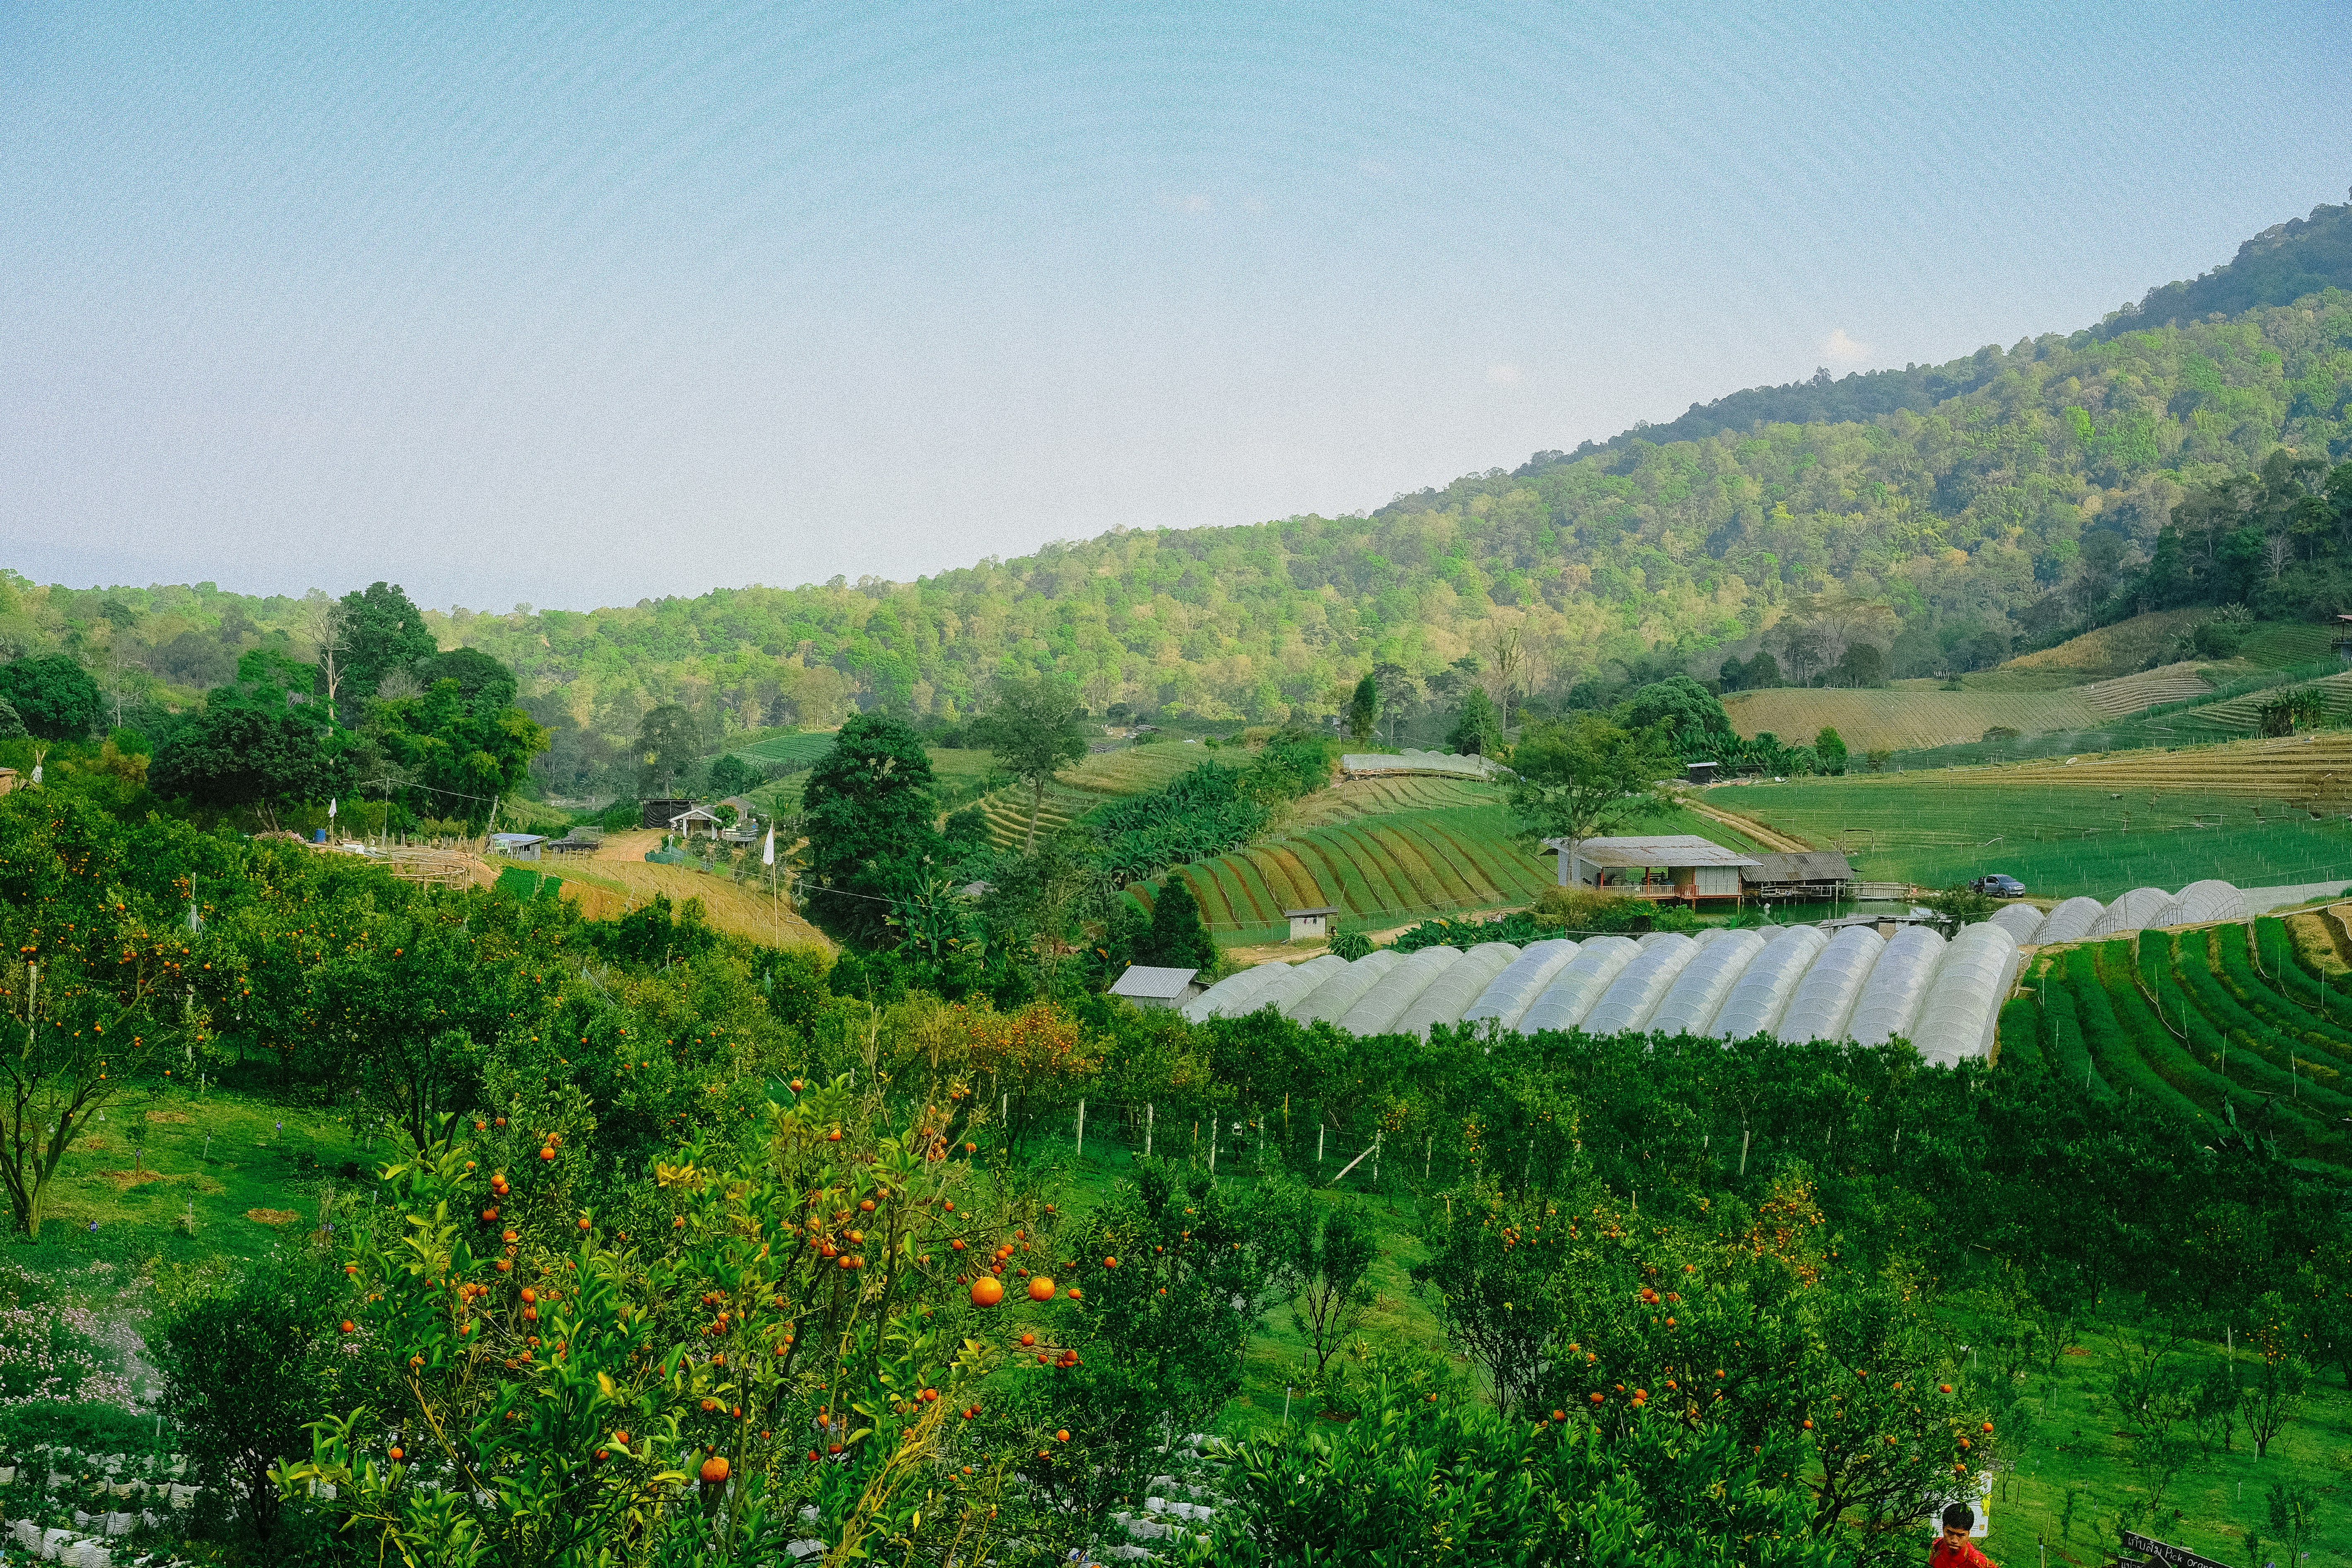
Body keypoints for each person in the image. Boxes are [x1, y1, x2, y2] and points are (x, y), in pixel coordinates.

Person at [1930, 1502, 1995, 1567]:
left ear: (1968, 1534)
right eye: (1950, 1533)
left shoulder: (1978, 1562)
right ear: (1943, 1529)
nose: (1954, 1541)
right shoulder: (1937, 1545)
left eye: (1961, 1535)